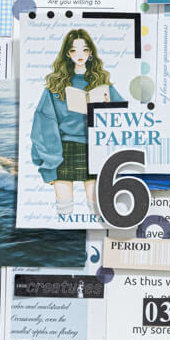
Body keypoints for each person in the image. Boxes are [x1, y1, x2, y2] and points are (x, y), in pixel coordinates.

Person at [30, 28, 123, 216]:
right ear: (67, 53)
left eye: (85, 49)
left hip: (96, 149)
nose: (80, 55)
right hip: (63, 151)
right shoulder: (55, 86)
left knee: (97, 208)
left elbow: (125, 117)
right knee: (64, 208)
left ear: (90, 53)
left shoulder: (103, 83)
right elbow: (43, 125)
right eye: (74, 50)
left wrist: (108, 107)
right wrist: (48, 165)